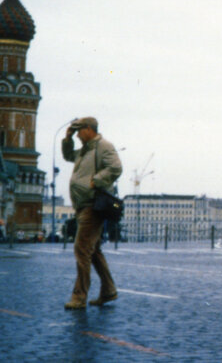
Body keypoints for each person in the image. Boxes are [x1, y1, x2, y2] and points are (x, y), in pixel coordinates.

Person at [63, 117, 123, 310]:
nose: (78, 135)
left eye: (79, 131)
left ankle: (79, 297)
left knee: (81, 250)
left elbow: (115, 167)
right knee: (93, 251)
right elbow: (67, 156)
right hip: (83, 206)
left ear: (89, 129)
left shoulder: (103, 146)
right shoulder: (85, 150)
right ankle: (108, 290)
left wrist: (96, 180)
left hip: (92, 205)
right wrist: (68, 138)